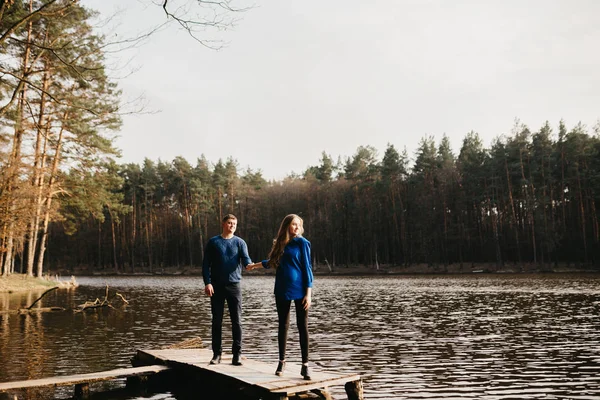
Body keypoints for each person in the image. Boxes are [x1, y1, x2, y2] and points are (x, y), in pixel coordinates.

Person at [248, 214, 314, 380]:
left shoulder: (302, 243)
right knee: (283, 325)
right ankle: (281, 361)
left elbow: (307, 268)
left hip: (300, 289)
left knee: (302, 326)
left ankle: (305, 366)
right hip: (282, 289)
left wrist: (308, 293)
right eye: (293, 224)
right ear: (286, 226)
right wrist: (254, 266)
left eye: (298, 224)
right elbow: (271, 262)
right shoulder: (280, 244)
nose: (296, 227)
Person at [202, 214, 252, 366]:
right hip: (216, 286)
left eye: (235, 224)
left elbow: (246, 260)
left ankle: (237, 354)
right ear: (223, 224)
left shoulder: (240, 242)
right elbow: (205, 265)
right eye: (229, 223)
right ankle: (217, 354)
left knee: (236, 321)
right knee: (217, 321)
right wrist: (208, 283)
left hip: (234, 286)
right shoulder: (213, 242)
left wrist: (251, 265)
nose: (232, 226)